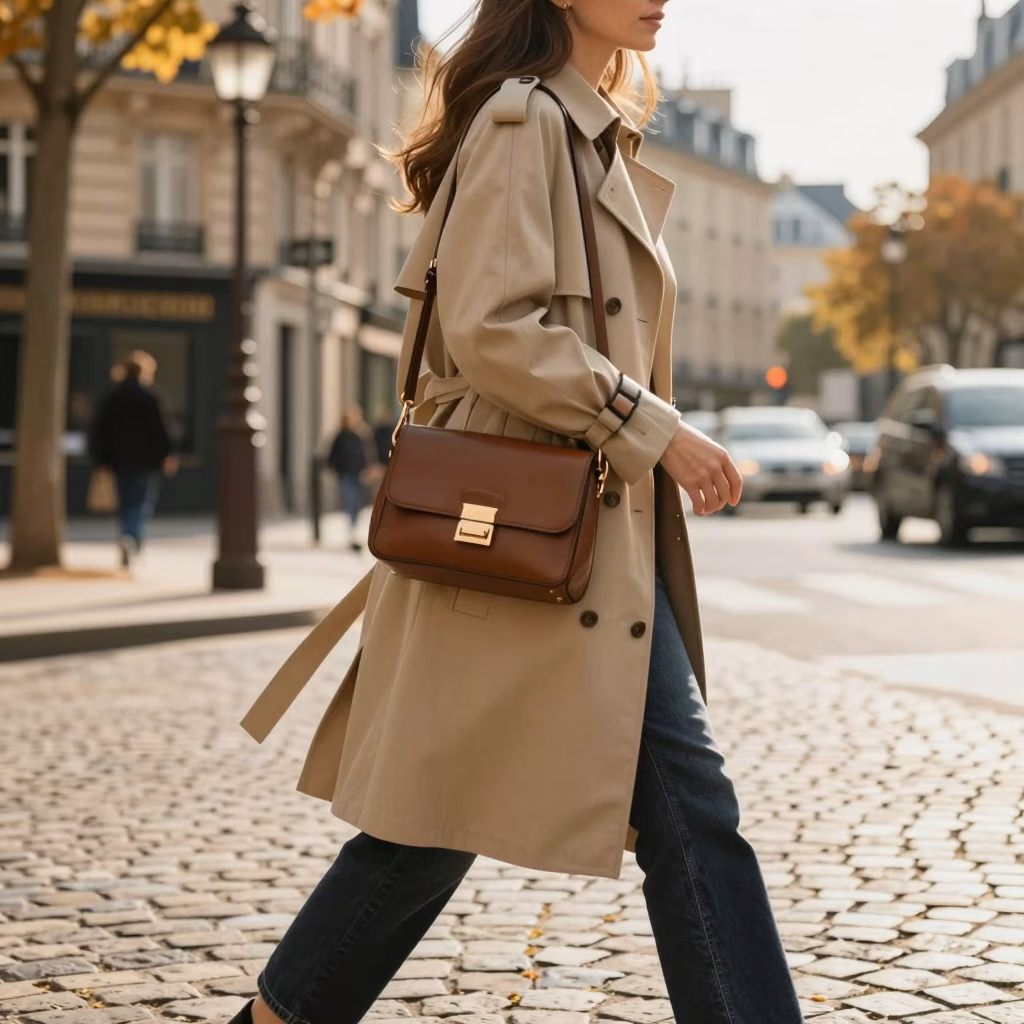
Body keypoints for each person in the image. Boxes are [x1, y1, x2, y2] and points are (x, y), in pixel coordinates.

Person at [232, 2, 802, 1023]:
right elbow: (491, 326)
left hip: (570, 535)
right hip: (529, 526)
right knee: (654, 812)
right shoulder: (522, 119)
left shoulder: (586, 133)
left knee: (440, 825)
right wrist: (651, 424)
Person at [89, 351, 177, 567]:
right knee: (140, 502)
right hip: (145, 461)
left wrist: (100, 460)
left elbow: (99, 431)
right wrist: (168, 454)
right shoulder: (150, 397)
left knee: (125, 501)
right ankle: (131, 537)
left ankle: (126, 536)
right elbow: (161, 430)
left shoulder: (112, 397)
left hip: (118, 460)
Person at [326, 406, 379, 551]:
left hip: (360, 474)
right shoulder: (340, 436)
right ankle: (352, 530)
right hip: (345, 474)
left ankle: (354, 528)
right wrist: (335, 468)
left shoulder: (361, 435)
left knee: (358, 502)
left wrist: (369, 469)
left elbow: (368, 454)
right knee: (350, 499)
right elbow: (332, 455)